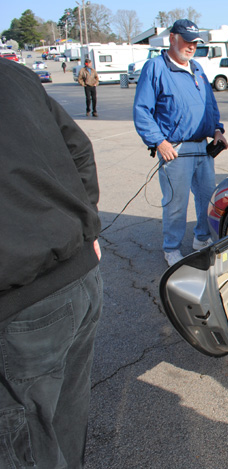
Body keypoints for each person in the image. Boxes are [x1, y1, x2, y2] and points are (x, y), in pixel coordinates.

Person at [0, 58, 102, 467]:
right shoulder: (13, 74)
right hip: (77, 276)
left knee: (26, 440)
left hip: (21, 302)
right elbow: (79, 149)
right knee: (64, 418)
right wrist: (87, 233)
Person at [133, 19, 228, 266]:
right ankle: (171, 248)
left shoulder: (197, 67)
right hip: (174, 150)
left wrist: (217, 129)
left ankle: (202, 237)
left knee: (207, 198)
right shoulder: (155, 67)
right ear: (172, 38)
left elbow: (210, 104)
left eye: (195, 42)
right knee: (176, 204)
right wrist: (158, 142)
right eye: (187, 40)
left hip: (202, 148)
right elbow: (142, 110)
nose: (191, 46)